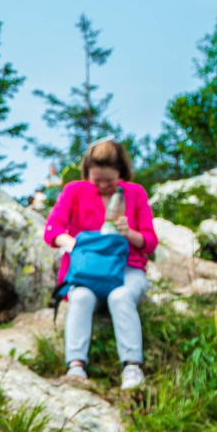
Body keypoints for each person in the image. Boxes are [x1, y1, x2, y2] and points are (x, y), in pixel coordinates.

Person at [44, 138, 157, 390]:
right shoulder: (74, 190)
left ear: (121, 173)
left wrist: (129, 233)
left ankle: (132, 368)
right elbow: (52, 229)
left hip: (127, 270)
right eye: (98, 180)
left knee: (121, 296)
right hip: (87, 273)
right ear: (88, 174)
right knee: (81, 297)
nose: (104, 186)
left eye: (110, 180)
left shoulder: (135, 193)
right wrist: (77, 246)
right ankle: (75, 367)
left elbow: (150, 242)